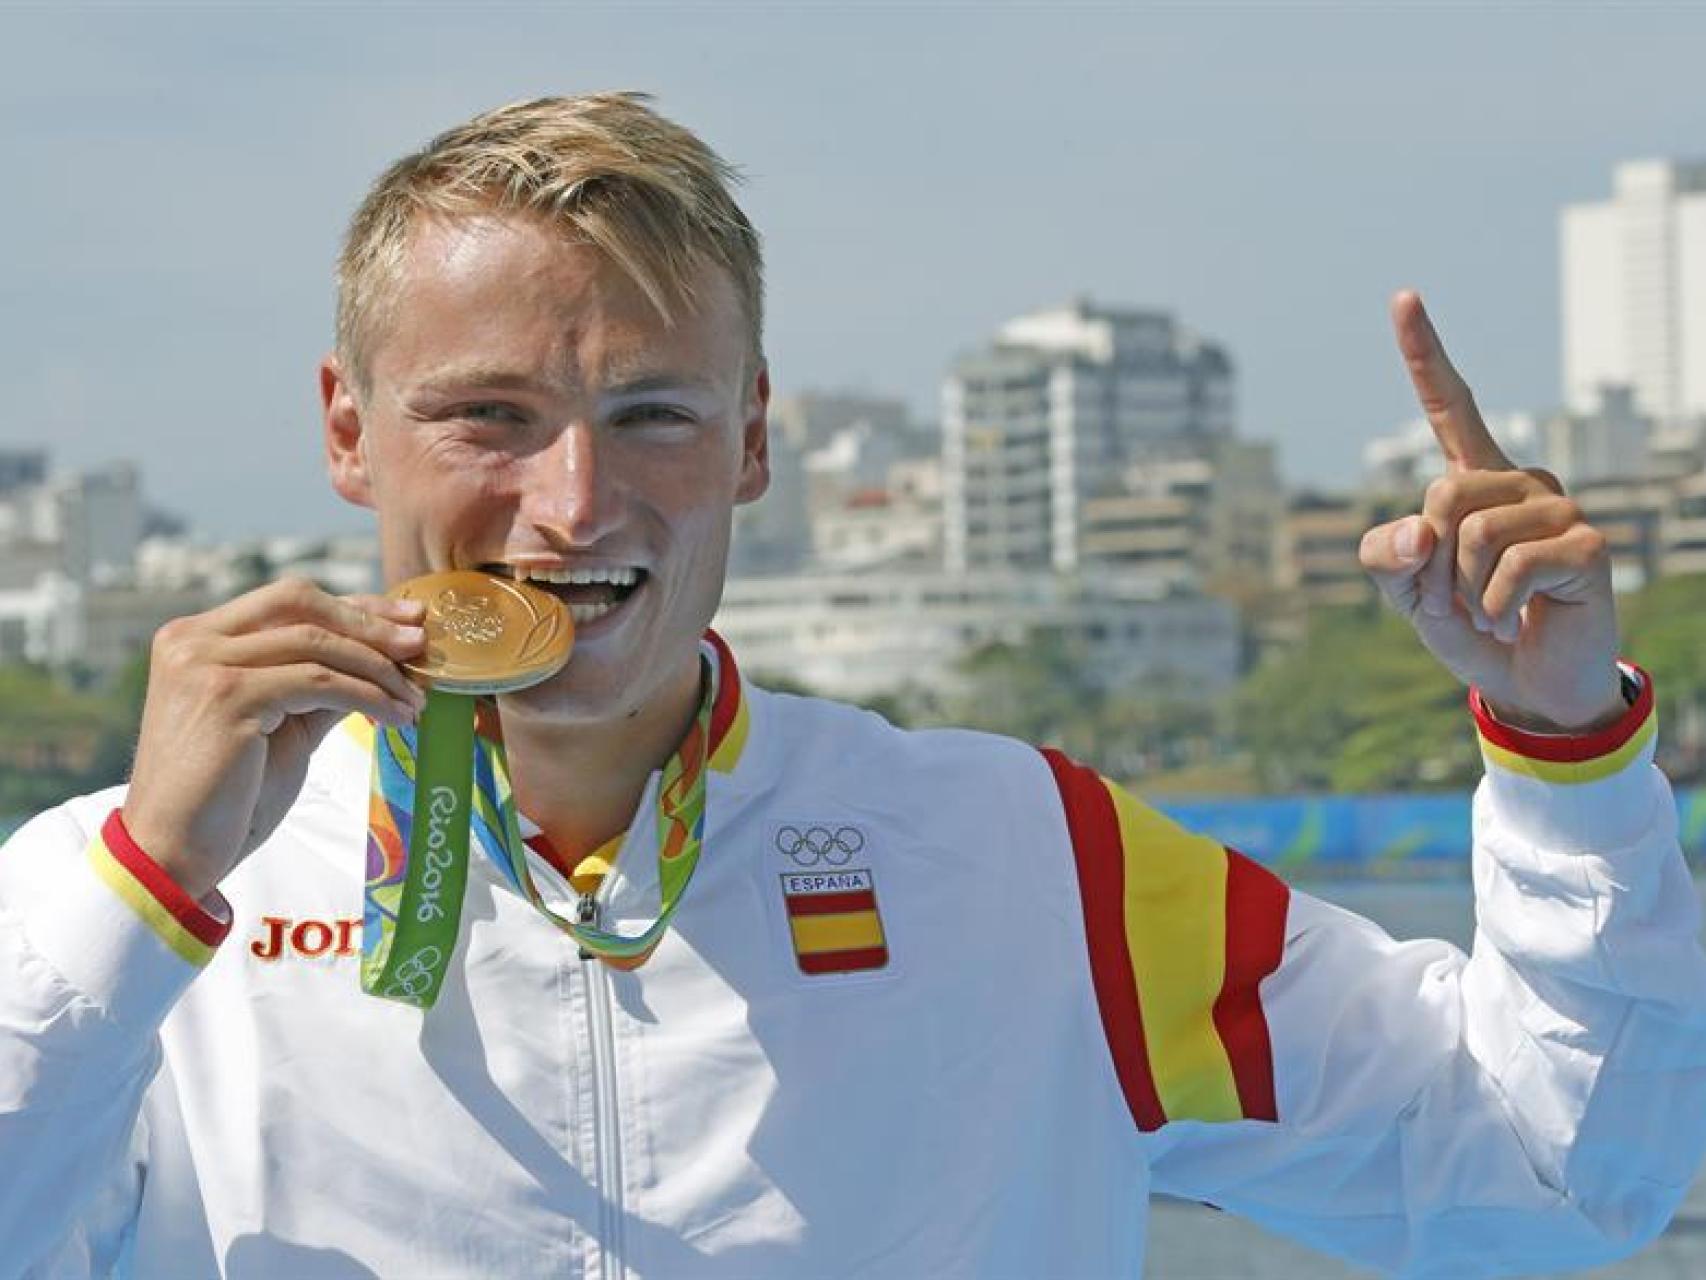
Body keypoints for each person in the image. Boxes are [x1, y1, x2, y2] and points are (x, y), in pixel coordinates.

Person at [2, 92, 1703, 1280]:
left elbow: (1557, 1178)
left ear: (751, 441)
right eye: (489, 415)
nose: (573, 505)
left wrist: (1565, 753)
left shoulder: (1022, 858)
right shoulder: (128, 893)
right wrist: (148, 888)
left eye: (654, 413)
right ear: (346, 430)